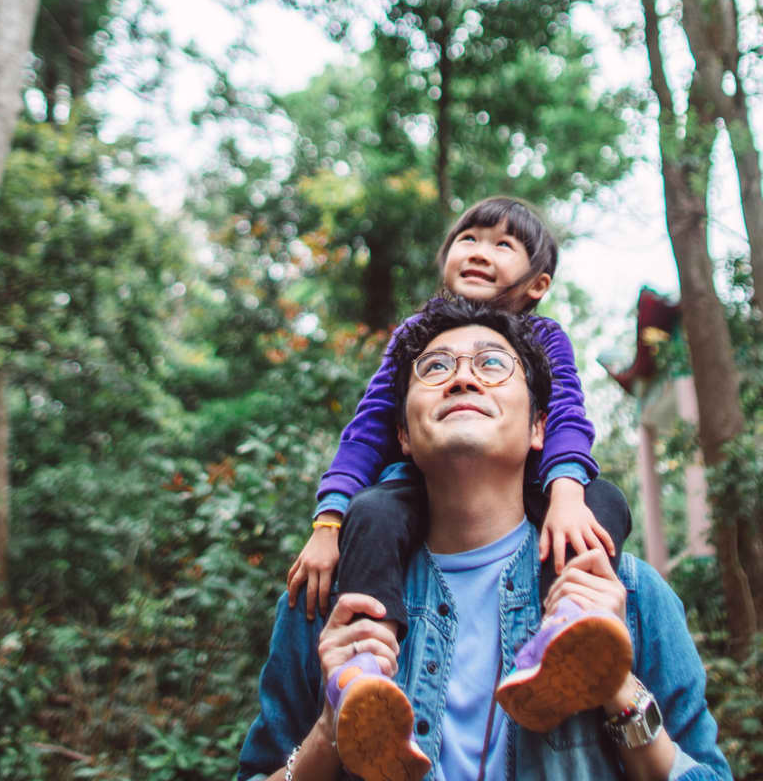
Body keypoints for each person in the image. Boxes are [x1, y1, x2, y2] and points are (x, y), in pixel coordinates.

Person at [239, 297, 733, 781]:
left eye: (493, 364)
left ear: (540, 426)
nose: (462, 377)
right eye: (433, 369)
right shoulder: (330, 603)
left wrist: (617, 686)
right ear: (404, 437)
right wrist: (330, 731)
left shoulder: (629, 595)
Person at [285, 200, 637, 759]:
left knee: (602, 501)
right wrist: (329, 521)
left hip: (534, 483)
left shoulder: (544, 338)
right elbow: (366, 429)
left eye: (504, 244)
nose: (479, 250)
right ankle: (362, 674)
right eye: (468, 238)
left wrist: (566, 488)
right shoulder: (415, 337)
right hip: (416, 490)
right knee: (370, 512)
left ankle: (569, 630)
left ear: (538, 282)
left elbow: (567, 412)